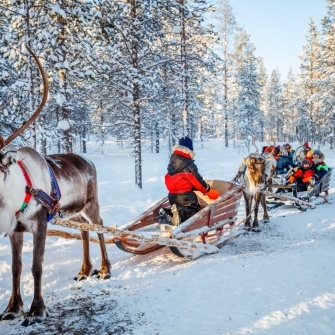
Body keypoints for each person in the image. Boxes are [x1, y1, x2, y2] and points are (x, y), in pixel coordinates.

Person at [160, 136, 220, 226]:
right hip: (186, 198)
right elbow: (199, 184)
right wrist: (211, 193)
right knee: (198, 214)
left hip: (172, 197)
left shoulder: (172, 162)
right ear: (189, 149)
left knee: (183, 211)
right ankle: (180, 212)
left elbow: (178, 180)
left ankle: (168, 213)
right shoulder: (189, 164)